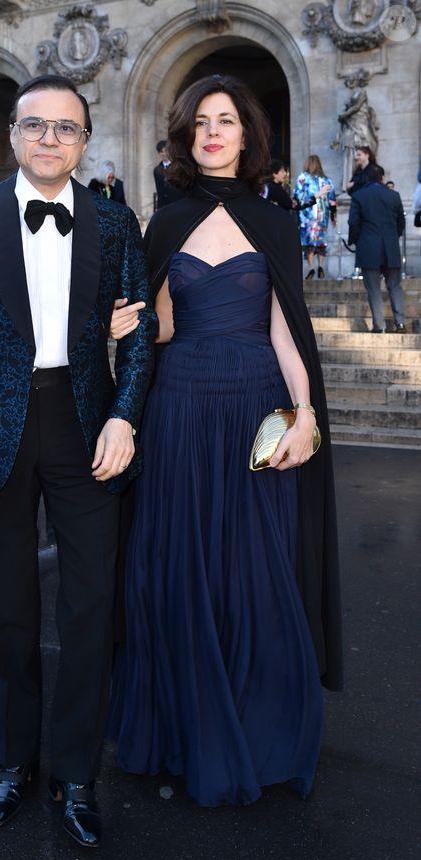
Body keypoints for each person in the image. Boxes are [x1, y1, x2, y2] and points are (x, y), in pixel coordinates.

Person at [0, 74, 157, 848]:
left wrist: (125, 416)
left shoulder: (118, 221)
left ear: (86, 141)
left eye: (67, 128)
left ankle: (78, 773)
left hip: (87, 425)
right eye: (36, 125)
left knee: (91, 608)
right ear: (15, 134)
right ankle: (14, 760)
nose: (50, 139)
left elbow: (143, 332)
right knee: (11, 609)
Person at [107, 74, 342, 809]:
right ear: (186, 135)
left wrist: (305, 414)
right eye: (201, 121)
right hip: (179, 406)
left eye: (227, 120)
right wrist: (127, 326)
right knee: (176, 565)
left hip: (251, 405)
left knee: (255, 566)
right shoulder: (166, 222)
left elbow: (283, 326)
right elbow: (163, 326)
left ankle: (259, 726)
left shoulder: (272, 220)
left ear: (248, 135)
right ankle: (187, 726)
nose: (213, 131)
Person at [348, 164, 407, 333]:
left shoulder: (359, 196)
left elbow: (354, 223)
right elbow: (400, 224)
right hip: (390, 247)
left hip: (368, 247)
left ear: (365, 179)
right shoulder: (394, 196)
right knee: (395, 286)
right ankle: (400, 322)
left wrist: (354, 241)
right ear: (382, 178)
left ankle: (379, 325)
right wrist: (392, 238)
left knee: (373, 289)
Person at [293, 155, 337, 279]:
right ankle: (321, 265)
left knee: (308, 242)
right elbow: (332, 200)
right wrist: (334, 216)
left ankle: (311, 267)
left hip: (307, 216)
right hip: (322, 216)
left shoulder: (302, 177)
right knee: (321, 241)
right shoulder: (327, 180)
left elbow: (296, 195)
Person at [265, 158, 331, 213]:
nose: (285, 174)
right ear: (274, 174)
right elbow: (295, 205)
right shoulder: (274, 188)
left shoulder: (270, 186)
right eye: (282, 171)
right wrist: (317, 194)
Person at [153, 139, 183, 210]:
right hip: (164, 206)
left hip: (177, 203)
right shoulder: (157, 170)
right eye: (161, 152)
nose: (164, 154)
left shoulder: (178, 167)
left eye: (166, 151)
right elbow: (159, 190)